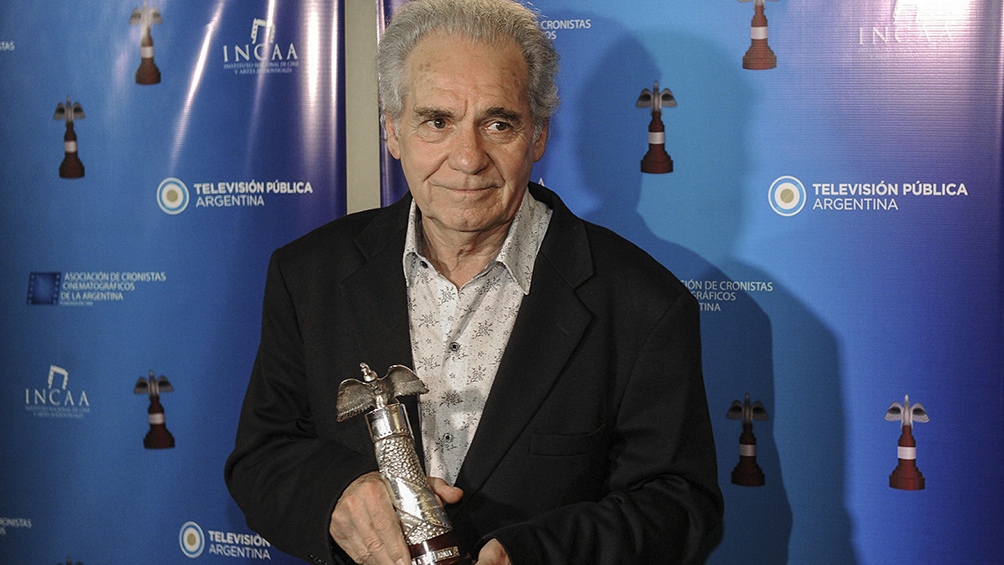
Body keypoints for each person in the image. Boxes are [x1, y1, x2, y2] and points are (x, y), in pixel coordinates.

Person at [225, 0, 723, 563]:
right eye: (437, 121)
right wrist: (335, 495)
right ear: (392, 130)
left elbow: (679, 506)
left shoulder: (644, 304)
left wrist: (535, 554)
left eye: (498, 123)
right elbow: (263, 457)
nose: (468, 158)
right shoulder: (307, 275)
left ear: (538, 135)